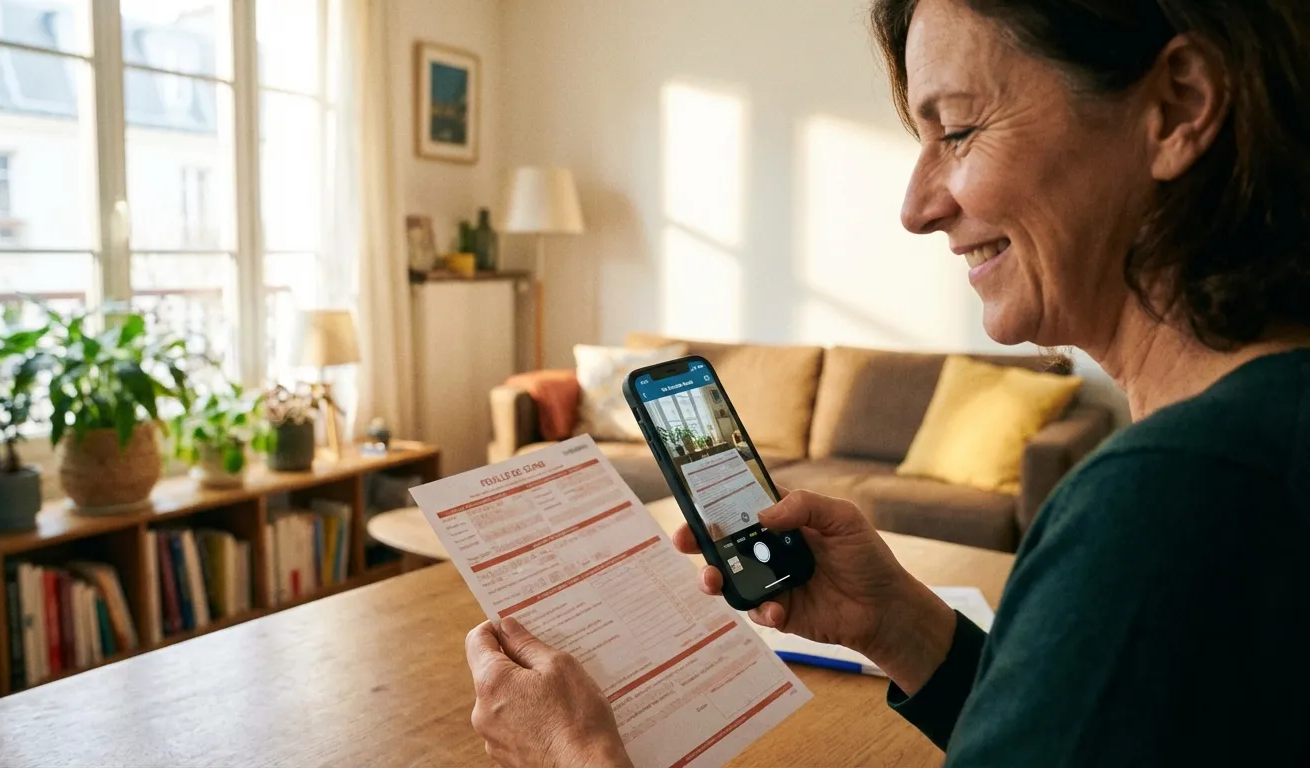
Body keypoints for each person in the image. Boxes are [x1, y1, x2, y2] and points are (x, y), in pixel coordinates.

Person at [463, 0, 1310, 764]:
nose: (916, 206)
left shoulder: (1167, 497)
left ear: (1177, 107)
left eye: (960, 130)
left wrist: (575, 753)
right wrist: (897, 623)